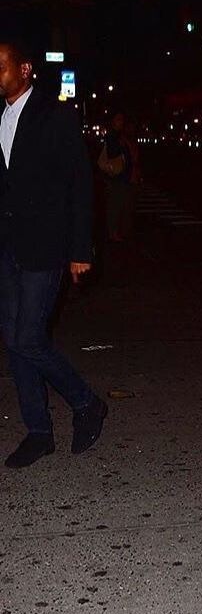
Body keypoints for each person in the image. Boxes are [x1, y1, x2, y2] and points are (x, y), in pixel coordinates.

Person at [0, 39, 107, 468]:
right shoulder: (0, 116)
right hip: (8, 246)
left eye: (1, 65)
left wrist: (80, 248)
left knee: (28, 337)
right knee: (14, 341)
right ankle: (39, 431)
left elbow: (79, 183)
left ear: (25, 69)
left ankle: (86, 403)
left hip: (46, 246)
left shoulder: (56, 114)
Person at [101, 111, 134, 243]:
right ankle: (113, 232)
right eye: (118, 119)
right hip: (116, 175)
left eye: (121, 120)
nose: (121, 122)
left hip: (121, 175)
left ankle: (116, 231)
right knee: (115, 204)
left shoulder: (120, 135)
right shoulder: (112, 136)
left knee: (120, 204)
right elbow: (112, 152)